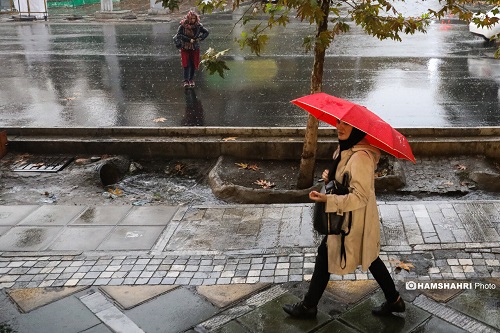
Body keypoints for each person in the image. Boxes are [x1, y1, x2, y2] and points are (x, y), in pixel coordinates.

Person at [282, 120, 405, 318]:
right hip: (348, 217)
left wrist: (327, 199)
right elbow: (346, 182)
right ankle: (394, 300)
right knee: (365, 257)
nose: (340, 127)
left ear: (357, 128)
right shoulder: (346, 150)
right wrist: (329, 179)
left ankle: (308, 307)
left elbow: (360, 196)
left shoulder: (361, 158)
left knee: (336, 254)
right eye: (339, 123)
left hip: (354, 220)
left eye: (347, 124)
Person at [176, 10, 209, 88]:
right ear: (188, 18)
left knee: (193, 64)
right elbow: (179, 35)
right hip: (185, 47)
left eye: (194, 18)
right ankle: (186, 80)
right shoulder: (183, 25)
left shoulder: (198, 26)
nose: (193, 20)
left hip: (194, 47)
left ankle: (191, 79)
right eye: (191, 18)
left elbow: (206, 32)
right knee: (186, 64)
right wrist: (188, 39)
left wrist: (200, 38)